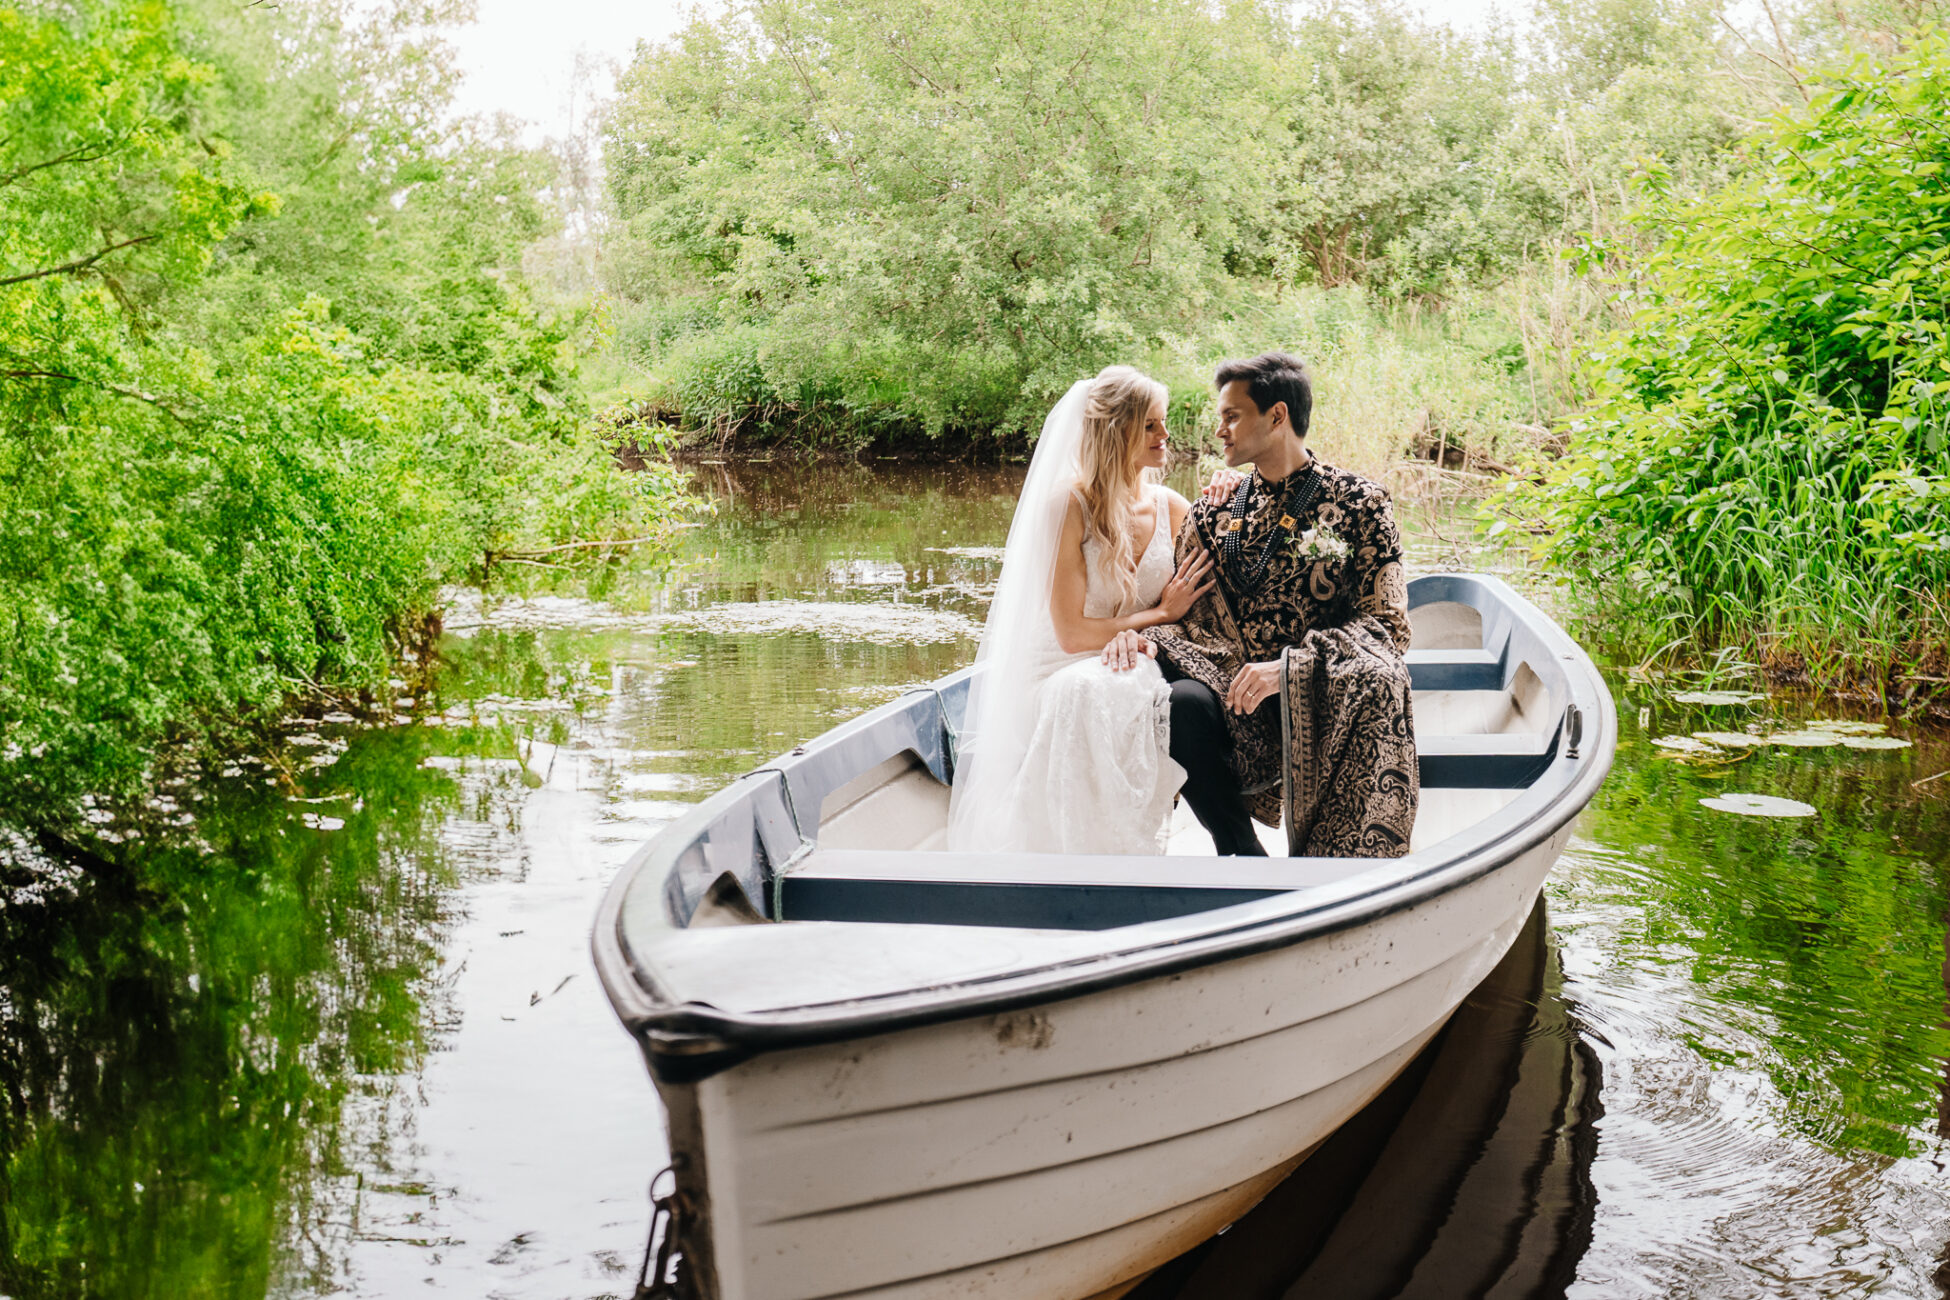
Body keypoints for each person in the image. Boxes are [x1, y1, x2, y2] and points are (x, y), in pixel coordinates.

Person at [1102, 352, 1419, 857]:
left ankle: (1340, 867)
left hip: (1326, 700)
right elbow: (1186, 618)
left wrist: (1287, 669)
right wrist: (1139, 636)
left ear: (1276, 417)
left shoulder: (1362, 504)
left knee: (1383, 677)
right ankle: (1241, 851)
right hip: (1235, 704)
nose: (1220, 430)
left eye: (1232, 416)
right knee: (1173, 698)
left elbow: (1390, 629)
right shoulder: (1213, 510)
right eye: (1220, 417)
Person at [946, 365, 1215, 855]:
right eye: (1151, 425)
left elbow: (1222, 556)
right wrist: (1159, 615)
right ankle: (1080, 854)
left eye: (1163, 422)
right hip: (1061, 664)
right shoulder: (1068, 507)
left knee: (1112, 684)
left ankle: (1123, 848)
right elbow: (1071, 634)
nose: (1165, 434)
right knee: (1083, 690)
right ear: (1118, 431)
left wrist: (1224, 493)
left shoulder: (1173, 506)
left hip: (1131, 656)